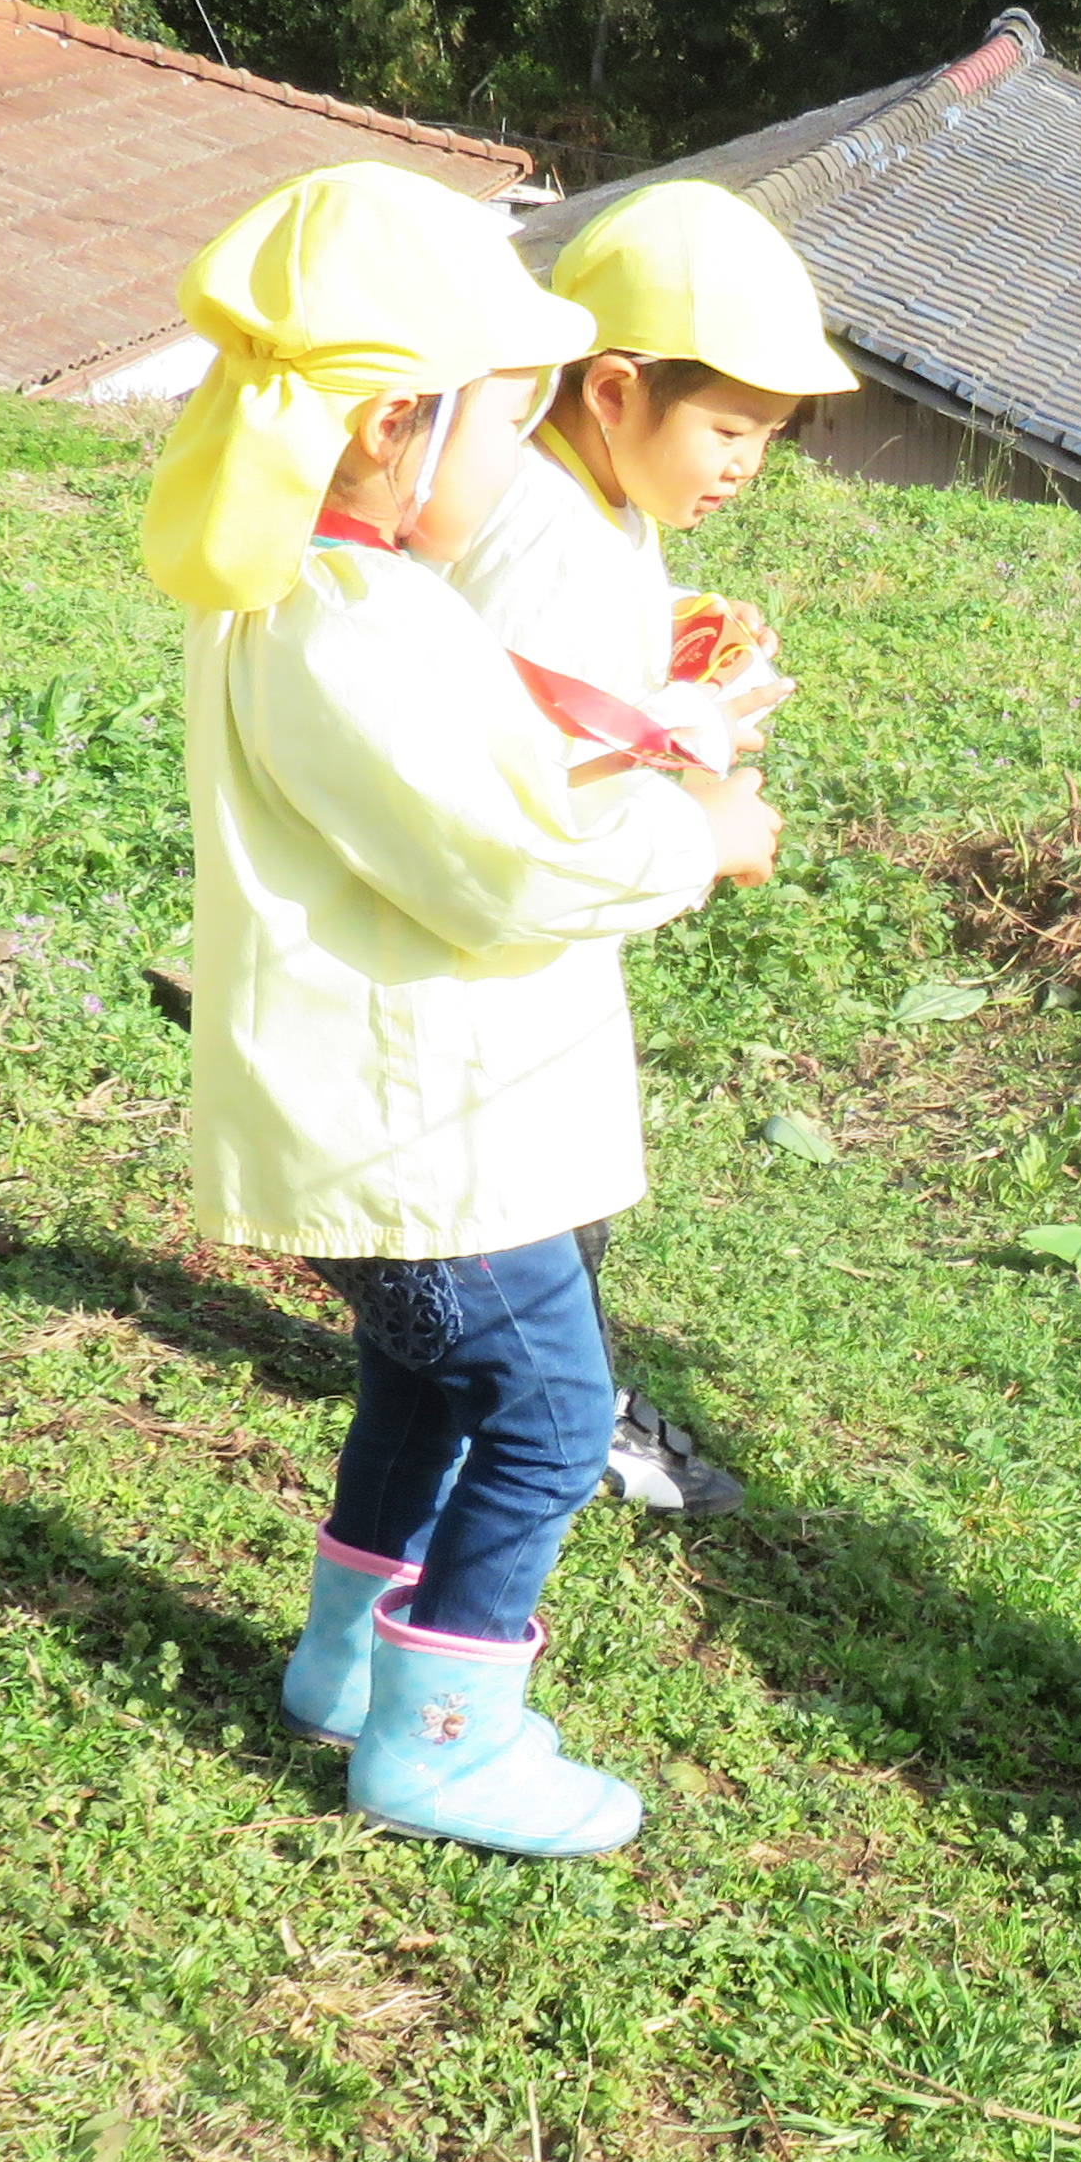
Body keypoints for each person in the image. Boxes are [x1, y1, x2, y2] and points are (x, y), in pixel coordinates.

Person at [151, 162, 780, 1860]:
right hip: (417, 1127)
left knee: (426, 1390)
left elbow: (479, 779)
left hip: (410, 1118)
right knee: (557, 1417)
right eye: (507, 426)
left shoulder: (333, 597)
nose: (519, 467)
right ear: (389, 431)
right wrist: (692, 833)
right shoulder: (342, 631)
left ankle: (348, 1666)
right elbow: (503, 866)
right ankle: (443, 1741)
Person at [449, 178, 854, 1520]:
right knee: (533, 1224)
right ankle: (556, 1427)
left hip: (534, 962)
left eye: (767, 437)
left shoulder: (590, 502)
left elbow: (550, 691)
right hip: (502, 969)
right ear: (614, 391)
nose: (745, 463)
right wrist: (702, 817)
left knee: (553, 1208)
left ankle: (525, 1395)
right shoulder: (551, 539)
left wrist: (671, 668)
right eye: (729, 427)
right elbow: (517, 799)